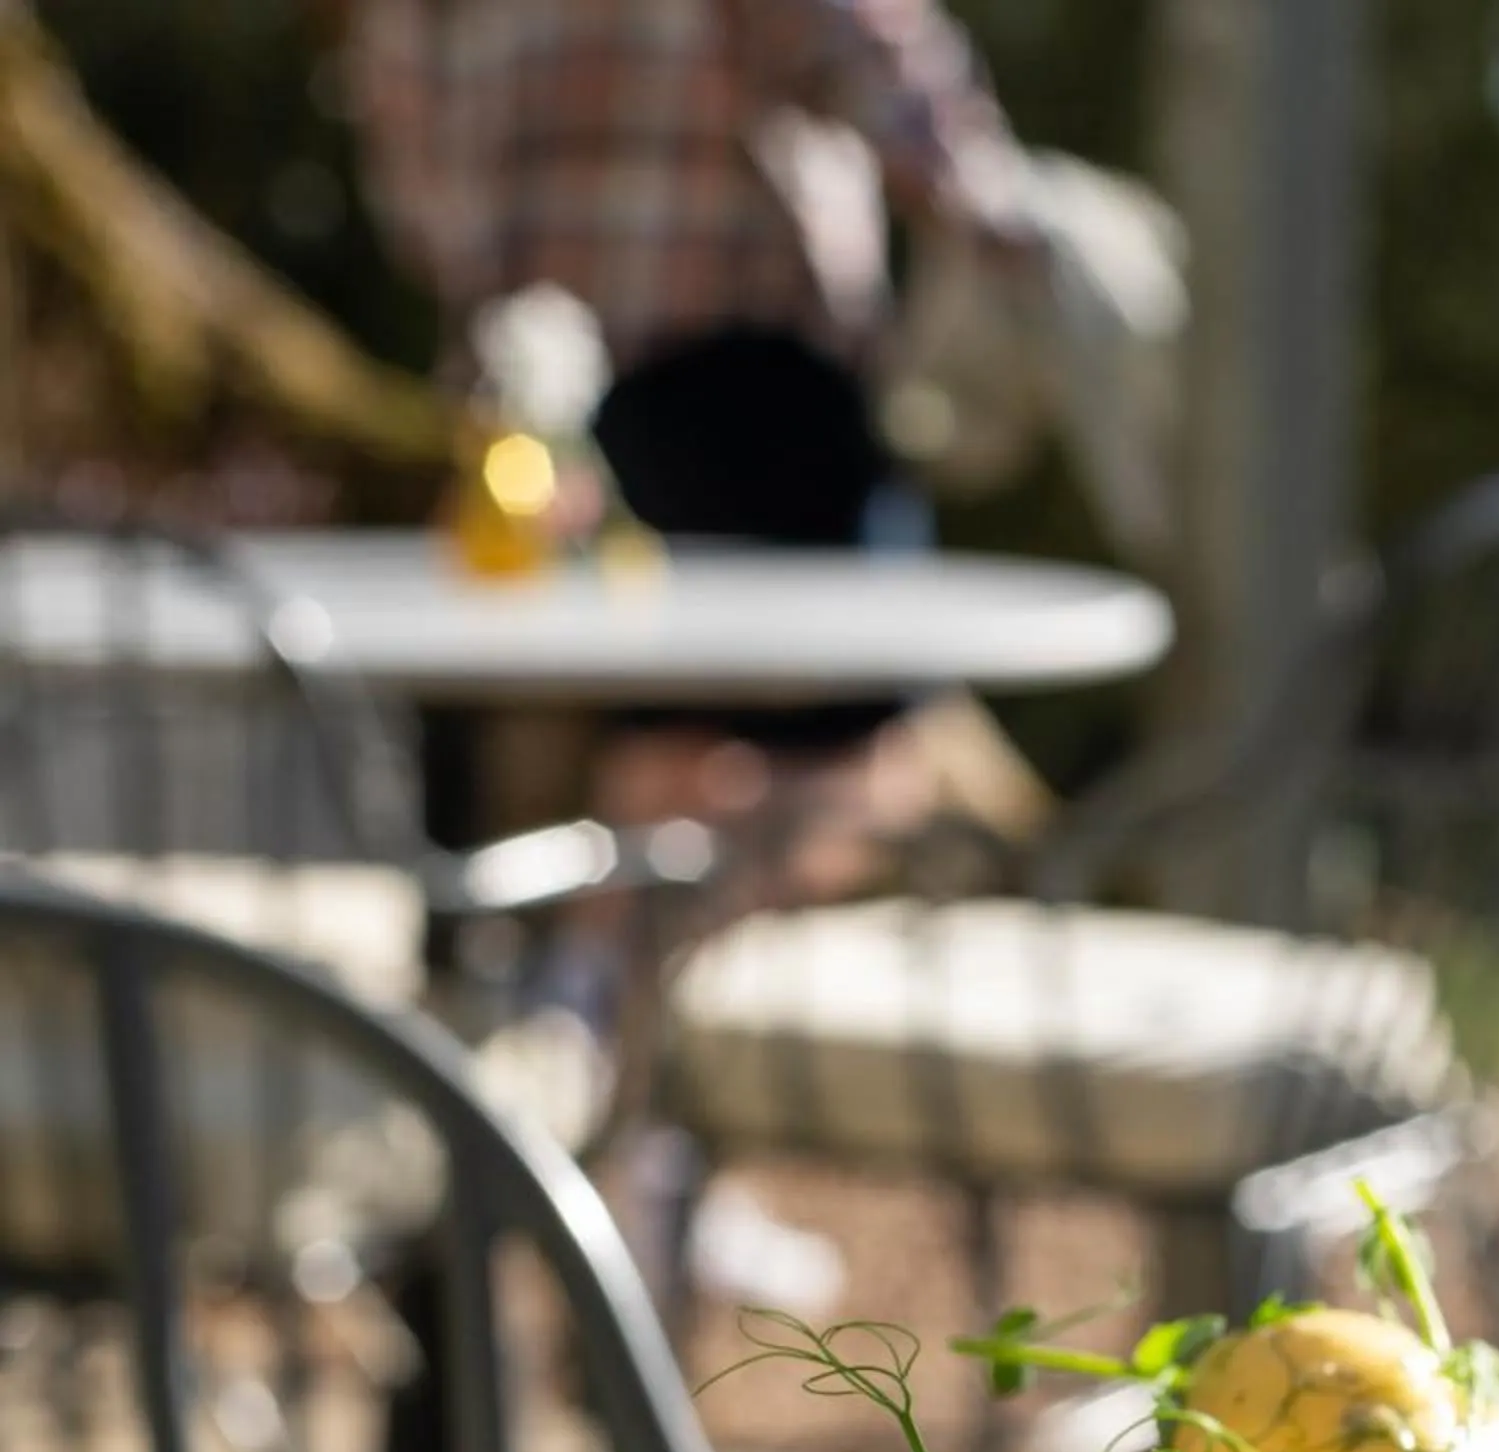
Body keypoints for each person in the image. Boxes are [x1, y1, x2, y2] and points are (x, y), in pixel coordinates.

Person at [348, 0, 1048, 849]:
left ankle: (579, 954)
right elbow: (880, 69)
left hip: (528, 412)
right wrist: (1007, 220)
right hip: (752, 396)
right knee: (853, 754)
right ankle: (627, 950)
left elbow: (413, 186)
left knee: (592, 746)